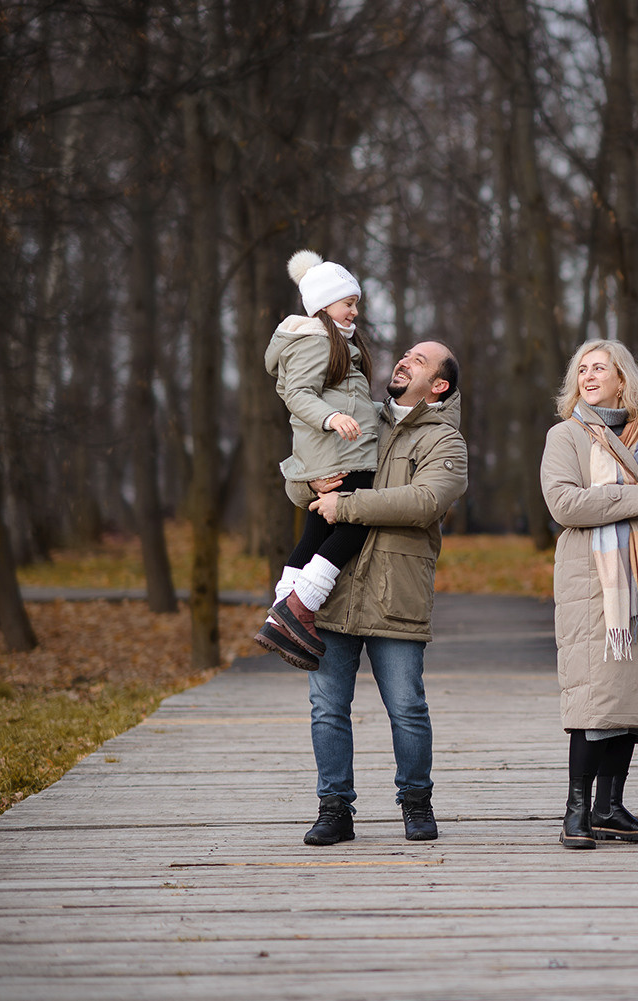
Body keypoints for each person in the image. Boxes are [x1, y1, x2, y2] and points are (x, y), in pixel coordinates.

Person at [285, 340, 467, 846]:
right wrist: (309, 486)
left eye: (420, 360)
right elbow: (300, 473)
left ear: (439, 385)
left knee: (407, 706)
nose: (405, 359)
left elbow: (424, 502)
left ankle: (416, 803)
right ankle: (334, 809)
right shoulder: (355, 417)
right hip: (332, 588)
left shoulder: (445, 441)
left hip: (396, 593)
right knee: (327, 706)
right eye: (406, 353)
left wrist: (346, 505)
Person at [540, 339, 638, 849]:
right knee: (594, 697)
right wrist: (637, 496)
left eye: (601, 368)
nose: (589, 376)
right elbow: (565, 504)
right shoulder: (566, 435)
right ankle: (575, 811)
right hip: (591, 581)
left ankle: (610, 808)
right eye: (582, 370)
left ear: (623, 379)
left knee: (629, 696)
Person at [255, 250, 378, 672]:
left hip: (338, 449)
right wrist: (331, 418)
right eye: (349, 302)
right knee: (356, 526)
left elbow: (351, 399)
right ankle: (300, 606)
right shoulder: (316, 341)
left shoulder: (330, 341)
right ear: (324, 304)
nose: (355, 311)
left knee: (315, 535)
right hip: (339, 453)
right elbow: (297, 394)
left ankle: (278, 616)